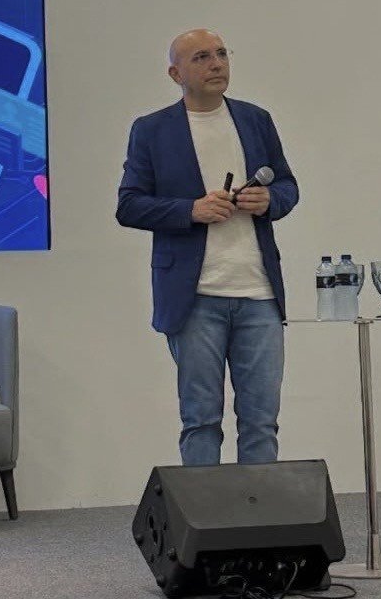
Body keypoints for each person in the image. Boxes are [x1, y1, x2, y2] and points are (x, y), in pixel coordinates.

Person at [117, 29, 298, 465]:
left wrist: (268, 200)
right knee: (200, 420)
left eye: (221, 54)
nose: (216, 64)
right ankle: (204, 509)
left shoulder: (255, 120)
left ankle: (257, 507)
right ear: (175, 74)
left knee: (262, 421)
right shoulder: (153, 130)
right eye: (201, 57)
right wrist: (190, 210)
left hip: (258, 294)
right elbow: (129, 205)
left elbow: (288, 186)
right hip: (194, 297)